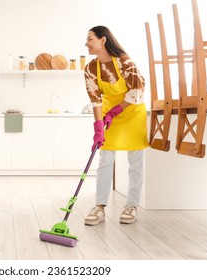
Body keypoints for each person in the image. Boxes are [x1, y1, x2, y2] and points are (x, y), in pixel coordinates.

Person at [83, 26, 149, 226]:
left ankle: (131, 205)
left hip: (132, 111)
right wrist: (98, 127)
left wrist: (114, 112)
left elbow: (137, 90)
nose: (86, 43)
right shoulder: (90, 68)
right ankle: (100, 206)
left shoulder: (124, 61)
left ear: (103, 40)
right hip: (109, 113)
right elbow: (95, 99)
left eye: (89, 39)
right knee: (105, 159)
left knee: (135, 162)